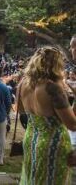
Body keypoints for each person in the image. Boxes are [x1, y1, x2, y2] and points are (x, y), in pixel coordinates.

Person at [19, 47, 76, 184]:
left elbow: (20, 110)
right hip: (53, 143)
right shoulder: (52, 87)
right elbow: (72, 124)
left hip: (31, 138)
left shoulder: (24, 83)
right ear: (56, 64)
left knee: (33, 179)